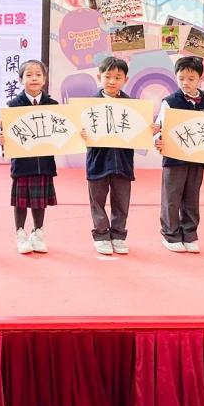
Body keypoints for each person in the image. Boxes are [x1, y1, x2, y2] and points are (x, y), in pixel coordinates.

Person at [154, 56, 204, 254]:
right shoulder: (170, 102)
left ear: (200, 78)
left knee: (192, 197)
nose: (185, 82)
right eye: (181, 78)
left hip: (197, 158)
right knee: (171, 197)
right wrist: (157, 139)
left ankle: (190, 234)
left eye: (191, 78)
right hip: (173, 158)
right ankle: (170, 235)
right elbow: (159, 127)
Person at [0, 59, 57, 255]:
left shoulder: (53, 106)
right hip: (22, 163)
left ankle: (38, 233)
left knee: (40, 202)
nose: (34, 78)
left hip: (44, 162)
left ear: (45, 79)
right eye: (29, 75)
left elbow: (61, 133)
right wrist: (2, 139)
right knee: (21, 201)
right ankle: (20, 233)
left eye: (38, 75)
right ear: (20, 79)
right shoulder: (12, 106)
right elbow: (6, 135)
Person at [84, 56, 134, 257]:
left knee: (121, 199)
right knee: (97, 199)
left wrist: (150, 129)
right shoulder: (88, 105)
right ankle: (101, 235)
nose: (112, 81)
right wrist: (80, 133)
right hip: (98, 159)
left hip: (123, 160)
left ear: (125, 80)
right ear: (99, 77)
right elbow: (76, 132)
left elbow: (139, 133)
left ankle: (118, 235)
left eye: (118, 77)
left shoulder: (133, 106)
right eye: (107, 76)